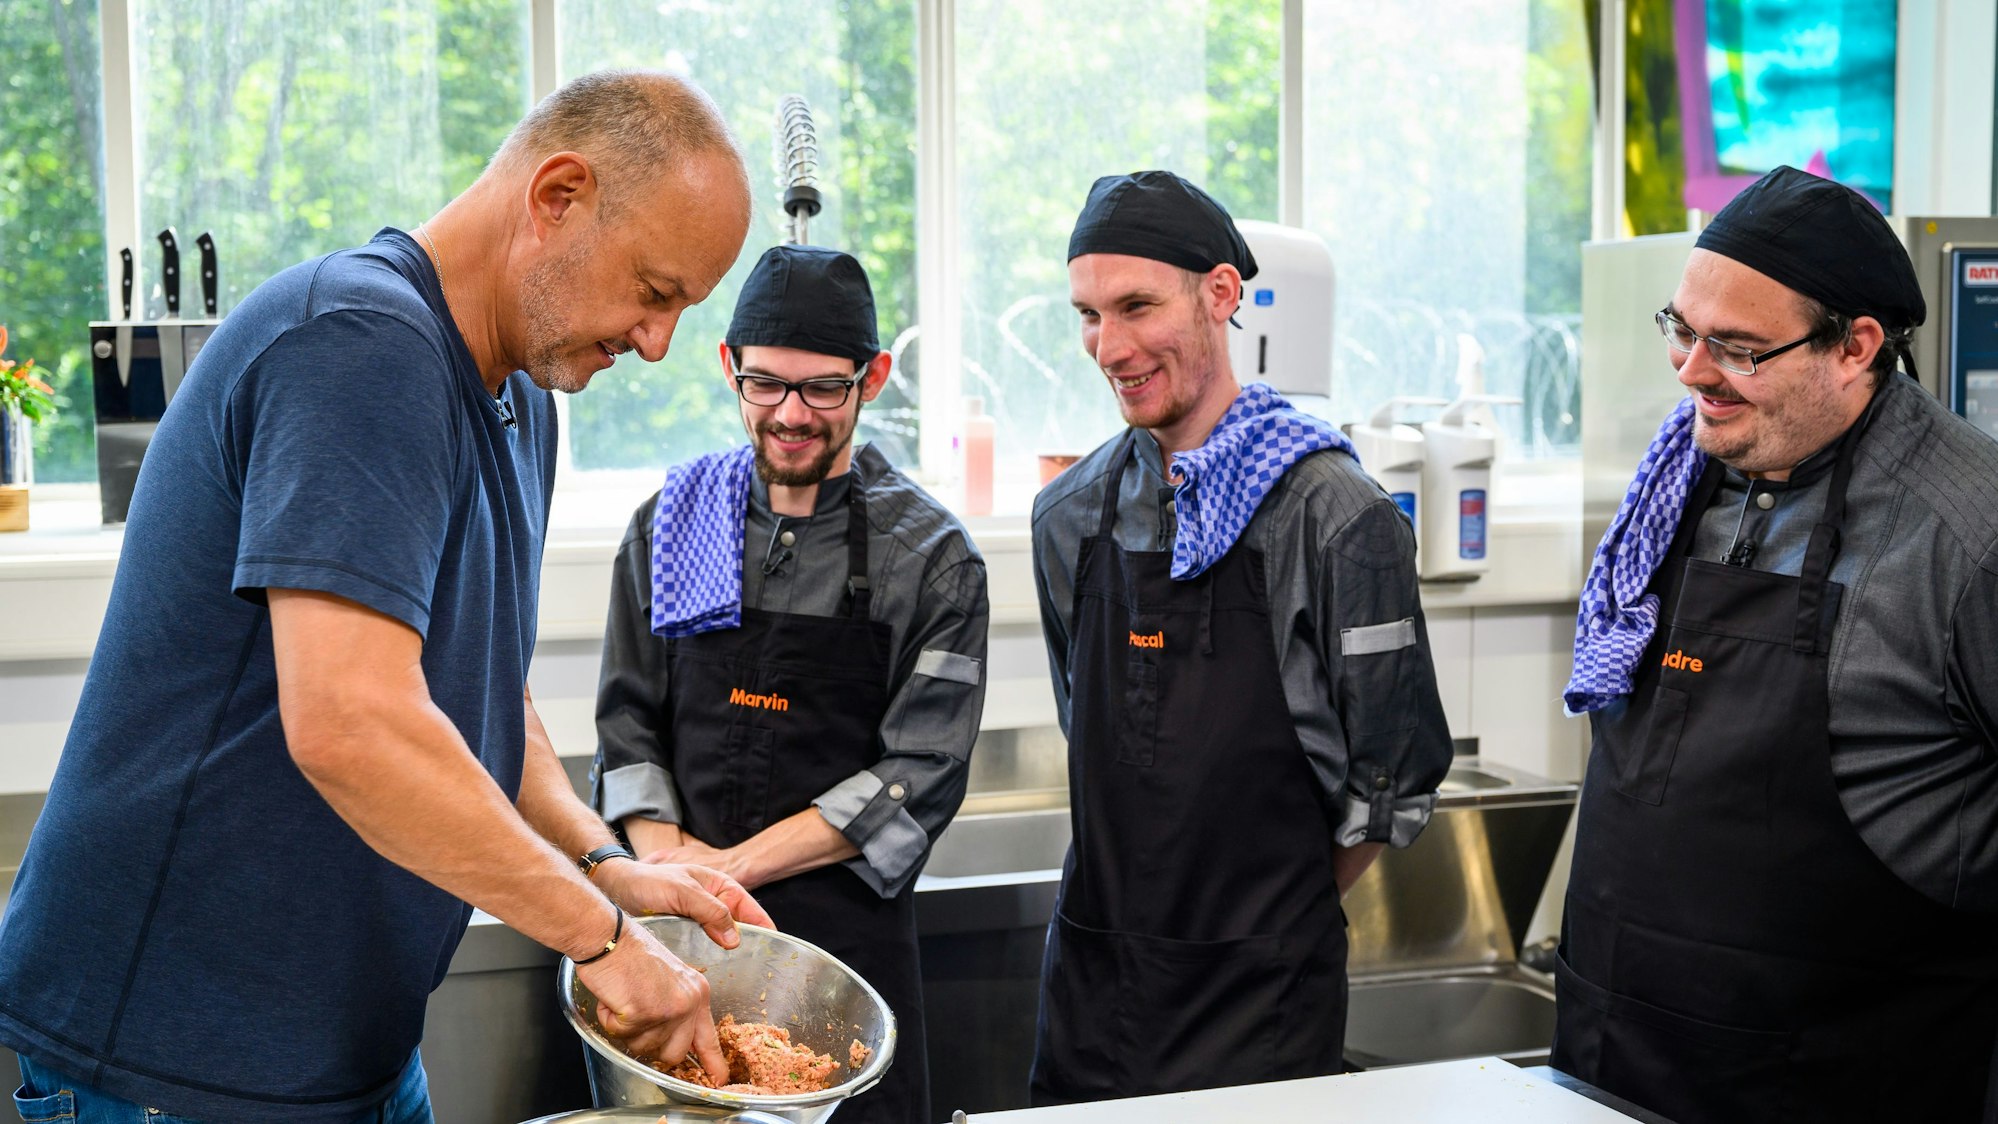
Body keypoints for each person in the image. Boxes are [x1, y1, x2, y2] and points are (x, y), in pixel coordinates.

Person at [0, 70, 772, 1123]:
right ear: (557, 198)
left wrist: (601, 863)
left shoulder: (524, 393)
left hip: (342, 1046)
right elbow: (353, 720)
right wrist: (603, 940)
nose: (657, 341)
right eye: (654, 290)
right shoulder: (361, 345)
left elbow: (479, 691)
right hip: (177, 1062)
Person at [1556, 165, 1998, 1123]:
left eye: (1738, 348)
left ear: (1856, 347)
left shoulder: (1969, 533)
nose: (1691, 372)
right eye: (1683, 329)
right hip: (1612, 1052)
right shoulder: (1677, 478)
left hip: (1840, 1072)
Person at [1027, 170, 1454, 1104]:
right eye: (1090, 314)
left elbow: (1392, 774)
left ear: (1221, 294)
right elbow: (1085, 724)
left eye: (1138, 305)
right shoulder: (1069, 516)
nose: (1111, 345)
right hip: (1095, 990)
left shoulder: (1337, 518)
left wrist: (1260, 923)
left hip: (1258, 1003)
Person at [594, 243, 989, 1123]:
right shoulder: (672, 522)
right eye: (765, 384)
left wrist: (726, 871)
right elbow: (626, 721)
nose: (789, 416)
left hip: (845, 968)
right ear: (730, 366)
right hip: (677, 950)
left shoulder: (930, 558)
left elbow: (919, 771)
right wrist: (665, 866)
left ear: (874, 378)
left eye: (823, 389)